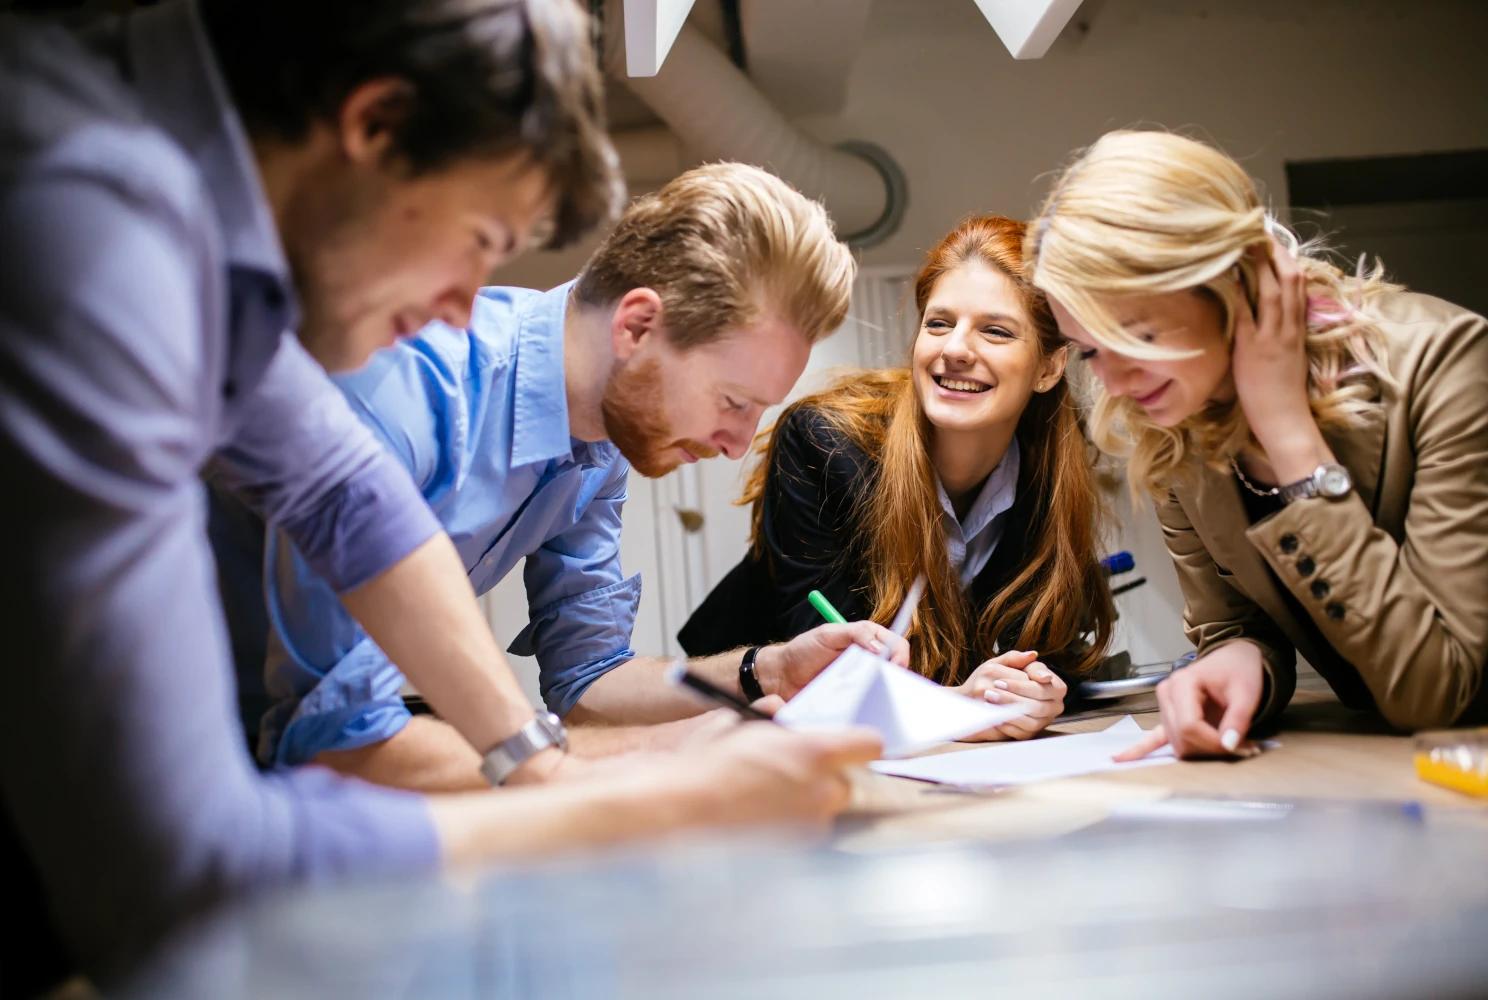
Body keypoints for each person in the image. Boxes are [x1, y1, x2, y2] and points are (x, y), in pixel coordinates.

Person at [0, 1, 877, 991]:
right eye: (481, 238)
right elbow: (182, 862)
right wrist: (629, 802)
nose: (466, 306)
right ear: (375, 127)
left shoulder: (186, 218)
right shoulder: (92, 224)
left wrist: (539, 768)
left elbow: (342, 494)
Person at [223, 162, 906, 791]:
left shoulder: (600, 444)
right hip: (199, 738)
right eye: (733, 402)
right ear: (637, 325)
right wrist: (668, 753)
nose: (738, 446)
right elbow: (330, 745)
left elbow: (589, 679)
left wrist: (770, 669)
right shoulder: (410, 394)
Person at [1024, 130, 1488, 762]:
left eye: (1133, 335)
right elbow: (1231, 624)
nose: (1111, 383)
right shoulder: (1165, 418)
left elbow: (1435, 693)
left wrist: (1287, 431)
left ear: (1231, 282)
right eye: (1090, 350)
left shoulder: (1445, 358)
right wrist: (1239, 661)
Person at [681, 216, 1115, 739]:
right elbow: (824, 671)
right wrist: (955, 707)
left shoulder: (1050, 469)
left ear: (1049, 367)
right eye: (938, 324)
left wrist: (1033, 691)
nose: (955, 348)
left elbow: (1051, 644)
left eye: (995, 330)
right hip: (747, 728)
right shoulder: (823, 442)